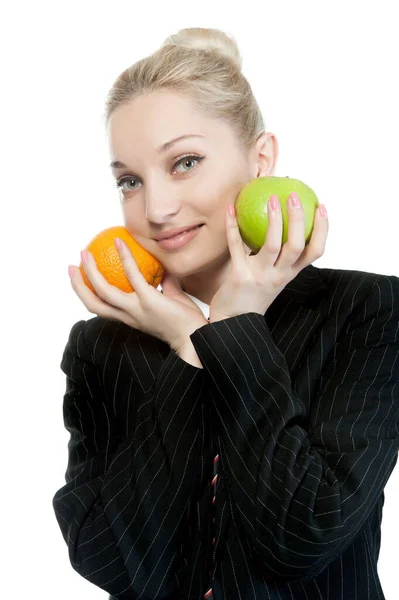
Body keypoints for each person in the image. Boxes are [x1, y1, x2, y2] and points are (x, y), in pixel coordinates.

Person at [52, 27, 399, 600]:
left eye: (185, 162)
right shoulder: (100, 347)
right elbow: (108, 560)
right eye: (130, 181)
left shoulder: (366, 313)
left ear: (260, 159)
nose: (157, 209)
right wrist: (191, 349)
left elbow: (301, 537)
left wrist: (234, 335)